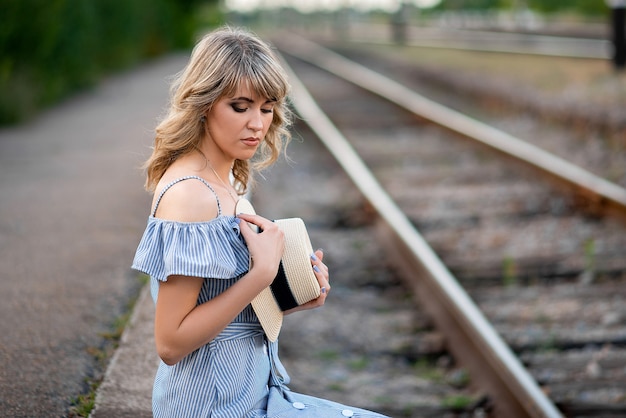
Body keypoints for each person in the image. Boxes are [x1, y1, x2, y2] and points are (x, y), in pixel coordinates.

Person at [131, 27, 389, 418]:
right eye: (240, 107)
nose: (257, 124)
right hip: (212, 406)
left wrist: (294, 295)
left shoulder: (227, 180)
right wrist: (262, 273)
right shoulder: (190, 195)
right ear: (204, 103)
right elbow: (170, 343)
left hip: (254, 393)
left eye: (267, 108)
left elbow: (220, 309)